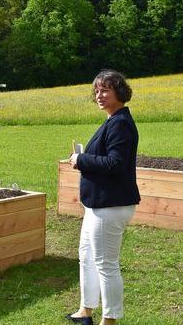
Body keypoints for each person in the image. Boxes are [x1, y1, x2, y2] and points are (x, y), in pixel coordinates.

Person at [66, 69, 140, 325]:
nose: (99, 95)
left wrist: (80, 159)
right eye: (97, 90)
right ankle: (85, 311)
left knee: (106, 264)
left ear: (120, 92)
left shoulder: (120, 123)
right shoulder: (112, 120)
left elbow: (115, 164)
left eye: (105, 90)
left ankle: (110, 320)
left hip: (111, 205)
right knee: (86, 256)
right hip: (98, 204)